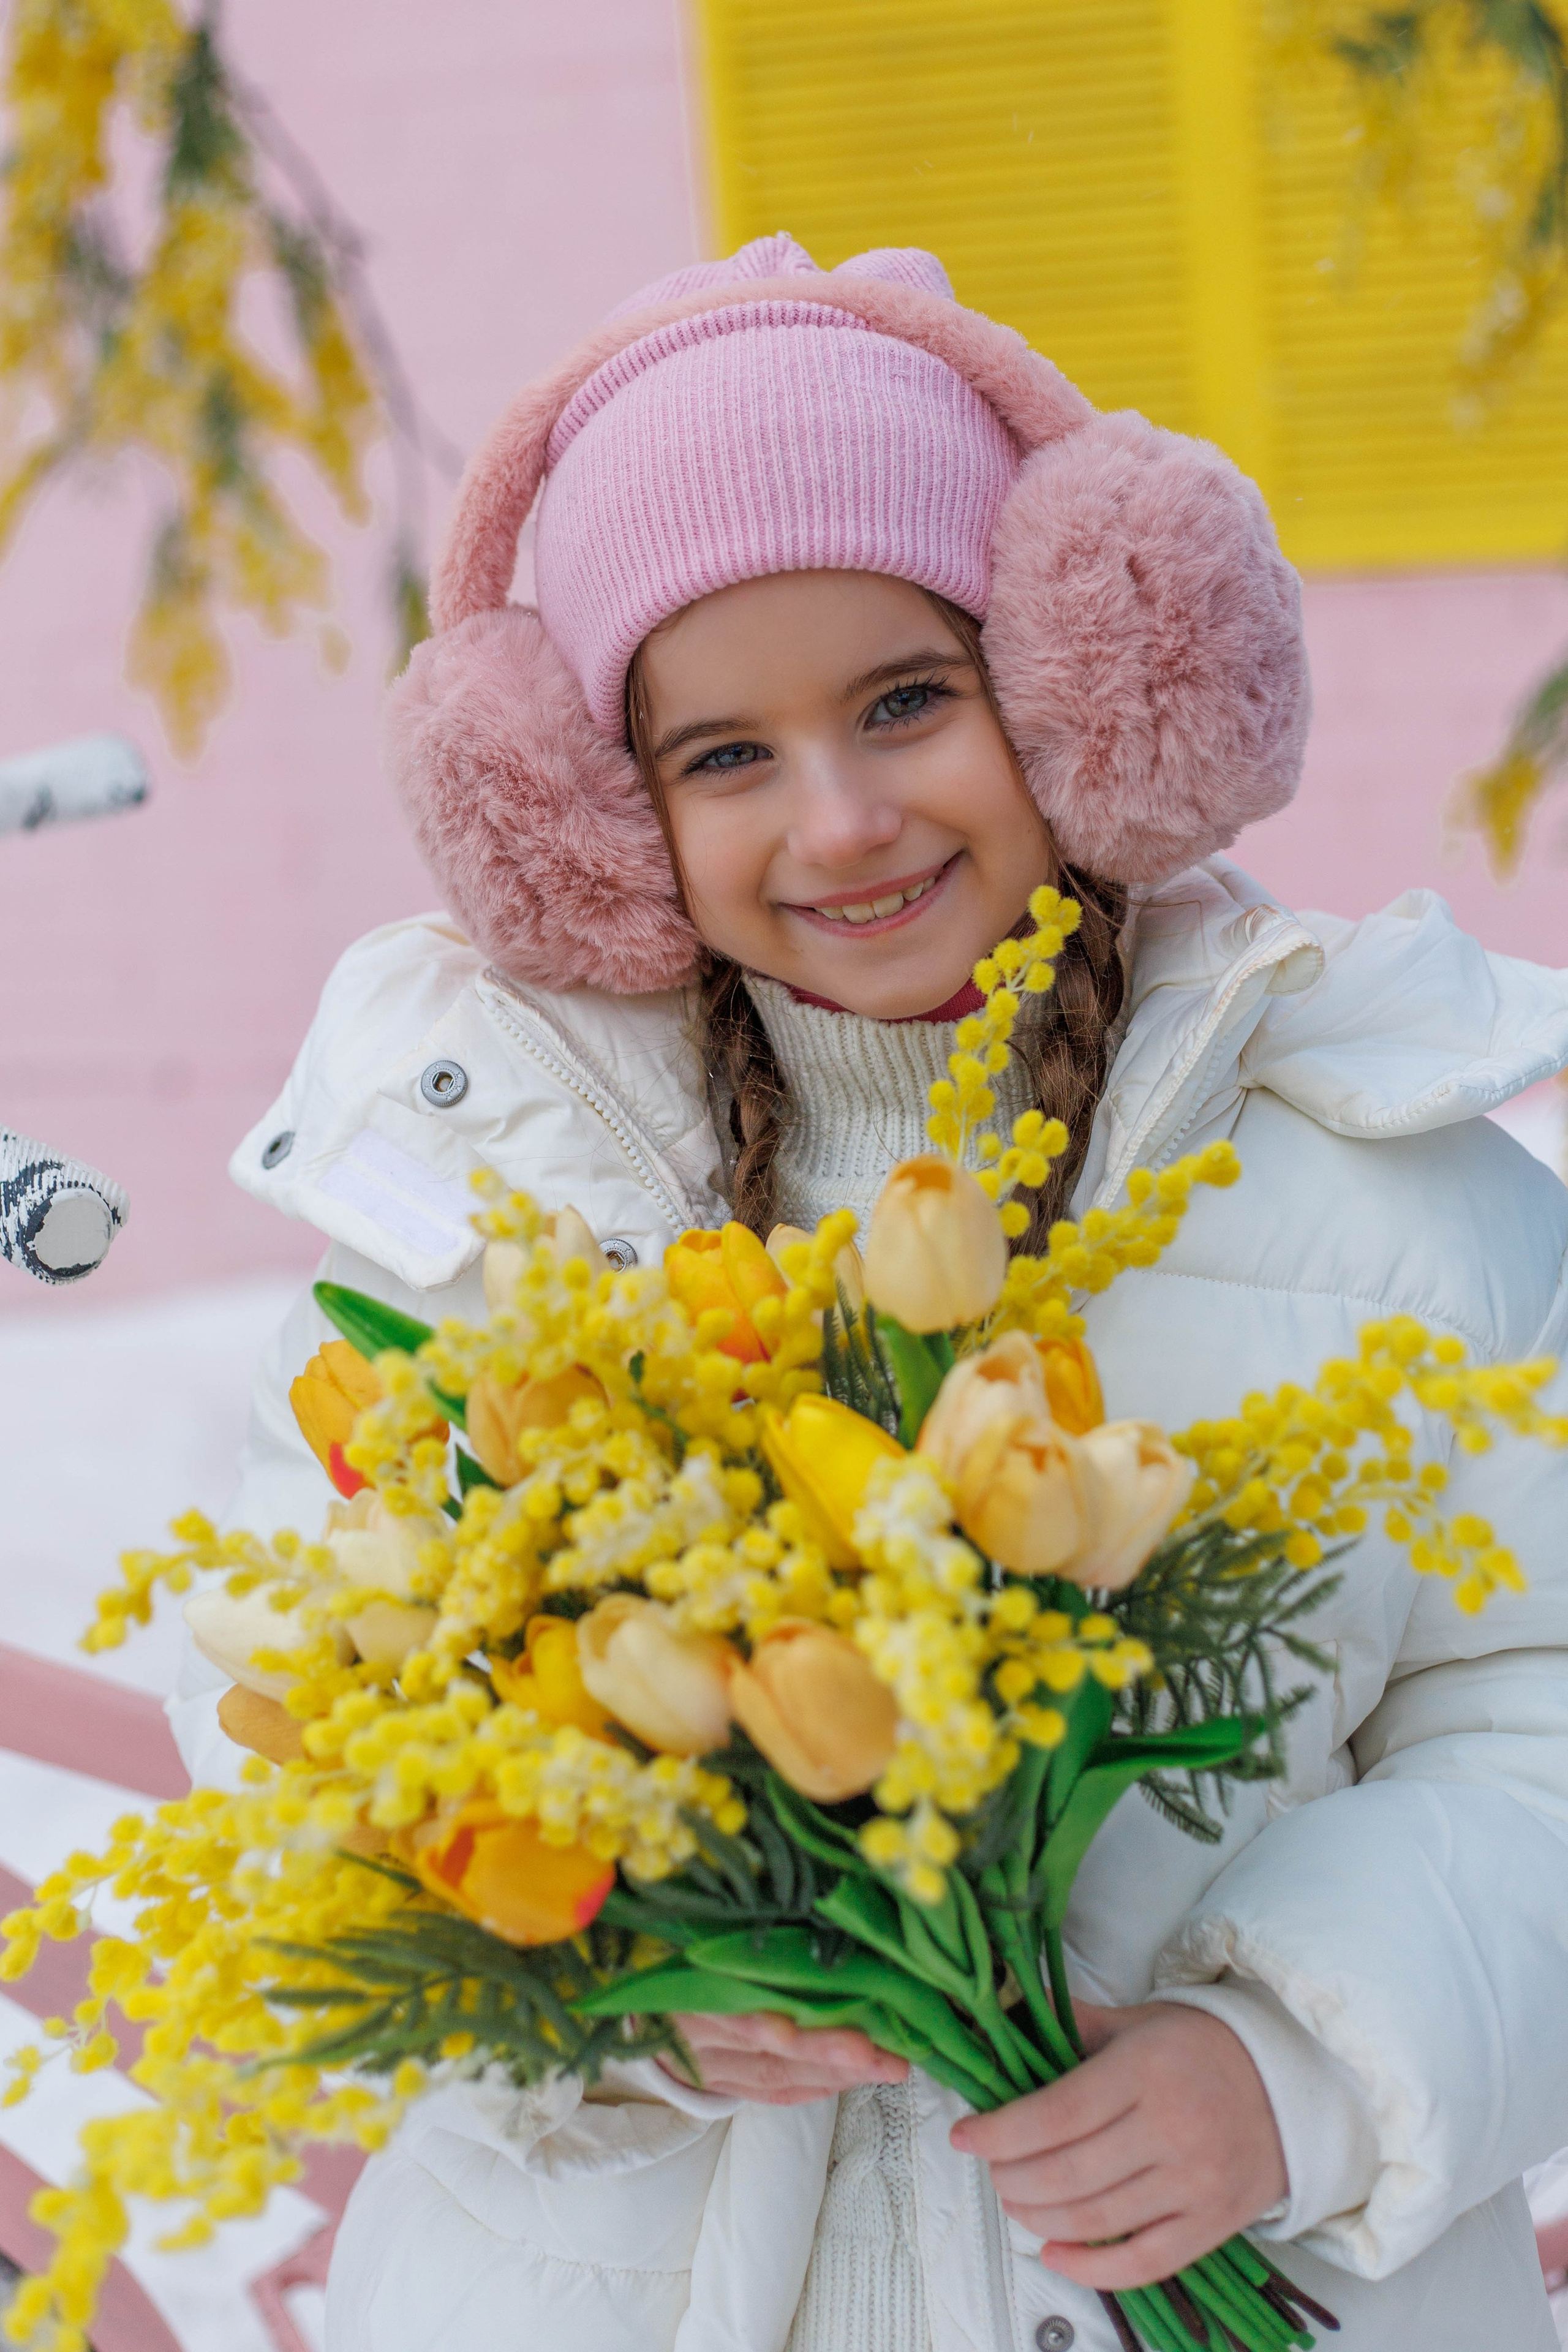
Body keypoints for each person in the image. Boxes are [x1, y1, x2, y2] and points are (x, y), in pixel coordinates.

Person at [168, 234, 1568, 2352]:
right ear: (597, 820)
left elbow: (1537, 1722)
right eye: (721, 756)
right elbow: (297, 1736)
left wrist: (1288, 2069)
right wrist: (608, 1986)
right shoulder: (498, 1224)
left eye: (910, 699)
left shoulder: (1381, 1196)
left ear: (1082, 685)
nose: (838, 820)